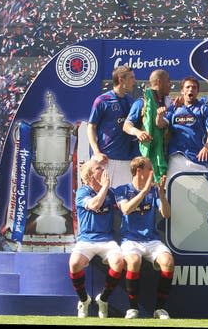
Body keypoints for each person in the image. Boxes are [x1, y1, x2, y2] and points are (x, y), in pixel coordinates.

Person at [114, 156, 174, 319]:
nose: (152, 172)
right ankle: (133, 308)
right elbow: (126, 209)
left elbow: (167, 214)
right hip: (130, 240)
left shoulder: (154, 191)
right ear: (139, 171)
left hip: (151, 240)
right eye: (150, 168)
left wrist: (161, 195)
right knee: (133, 262)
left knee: (168, 262)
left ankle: (160, 309)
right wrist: (144, 191)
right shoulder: (122, 190)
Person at [69, 159, 125, 318]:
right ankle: (84, 300)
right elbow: (94, 205)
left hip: (106, 239)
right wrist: (105, 187)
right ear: (90, 175)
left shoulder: (112, 193)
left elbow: (124, 207)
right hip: (86, 239)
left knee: (119, 262)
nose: (103, 170)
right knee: (74, 264)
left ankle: (103, 299)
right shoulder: (82, 192)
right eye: (99, 168)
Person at [87, 65, 138, 188]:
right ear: (121, 79)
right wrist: (97, 152)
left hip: (126, 161)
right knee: (102, 200)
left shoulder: (132, 102)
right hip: (105, 159)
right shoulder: (102, 100)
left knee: (124, 202)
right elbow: (91, 127)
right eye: (131, 78)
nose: (134, 81)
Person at [164, 77, 208, 181]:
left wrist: (206, 147)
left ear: (197, 91)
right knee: (173, 195)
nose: (190, 90)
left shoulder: (203, 108)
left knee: (202, 196)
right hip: (176, 157)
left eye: (194, 87)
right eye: (187, 87)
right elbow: (162, 124)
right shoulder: (173, 108)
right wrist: (159, 116)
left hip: (197, 159)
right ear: (182, 90)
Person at [123, 69, 172, 183]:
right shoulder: (142, 103)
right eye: (168, 81)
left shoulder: (167, 104)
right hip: (143, 161)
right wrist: (138, 133)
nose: (171, 85)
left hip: (163, 159)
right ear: (159, 82)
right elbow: (126, 125)